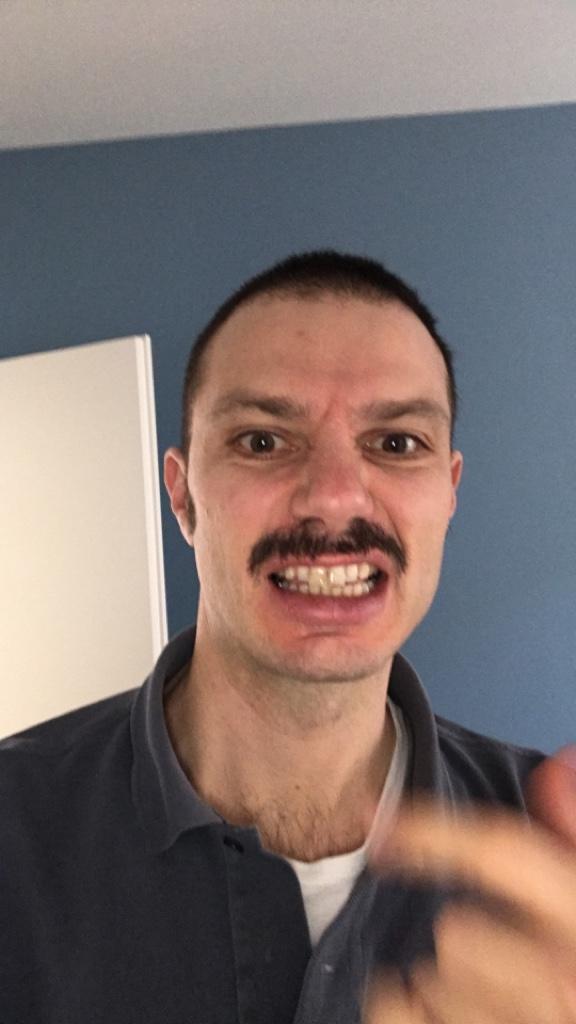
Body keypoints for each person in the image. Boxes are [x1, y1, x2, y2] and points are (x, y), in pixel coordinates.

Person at [1, 250, 575, 1024]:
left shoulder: (555, 857)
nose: (334, 498)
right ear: (183, 495)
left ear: (448, 493)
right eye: (263, 441)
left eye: (397, 443)